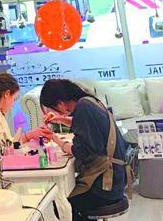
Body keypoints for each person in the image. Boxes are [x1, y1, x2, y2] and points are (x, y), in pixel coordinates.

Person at [40, 79, 131, 220]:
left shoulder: (83, 108)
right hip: (117, 178)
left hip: (106, 185)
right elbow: (85, 125)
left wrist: (54, 138)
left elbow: (79, 152)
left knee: (61, 205)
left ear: (60, 103)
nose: (53, 112)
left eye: (52, 108)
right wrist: (59, 120)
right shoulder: (88, 102)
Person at [0, 73, 51, 175]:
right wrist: (28, 137)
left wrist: (29, 136)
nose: (13, 104)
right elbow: (3, 149)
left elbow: (7, 144)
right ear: (7, 94)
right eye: (14, 99)